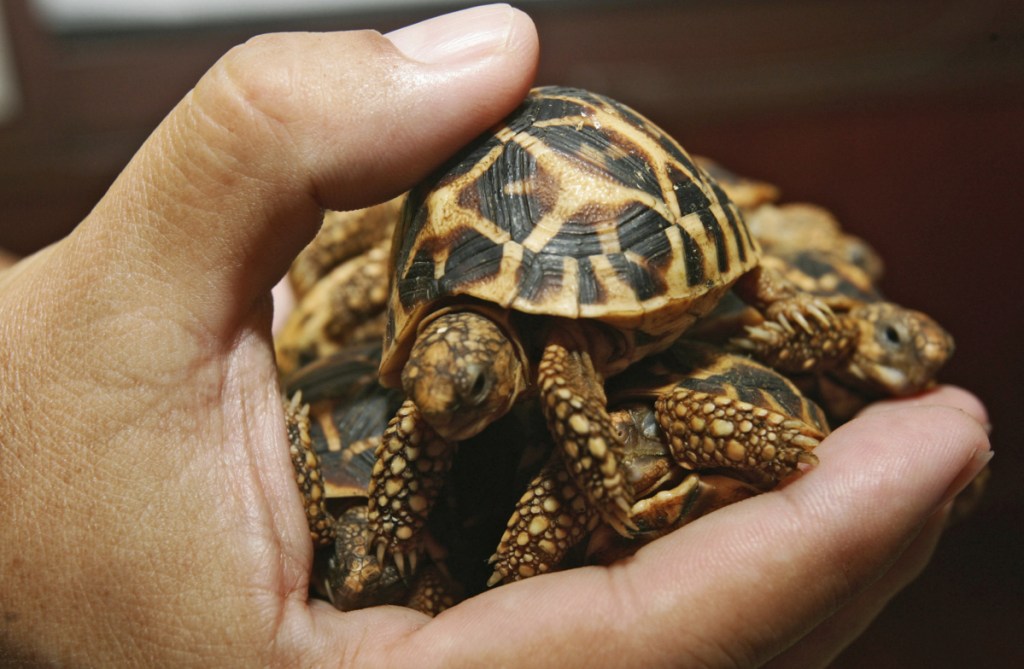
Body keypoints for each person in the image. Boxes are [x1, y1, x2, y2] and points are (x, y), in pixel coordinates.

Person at [0, 4, 991, 667]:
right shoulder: (436, 375)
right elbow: (421, 422)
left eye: (467, 393)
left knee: (567, 388)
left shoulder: (558, 359)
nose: (452, 408)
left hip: (616, 234)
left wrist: (605, 489)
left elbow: (570, 398)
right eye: (442, 383)